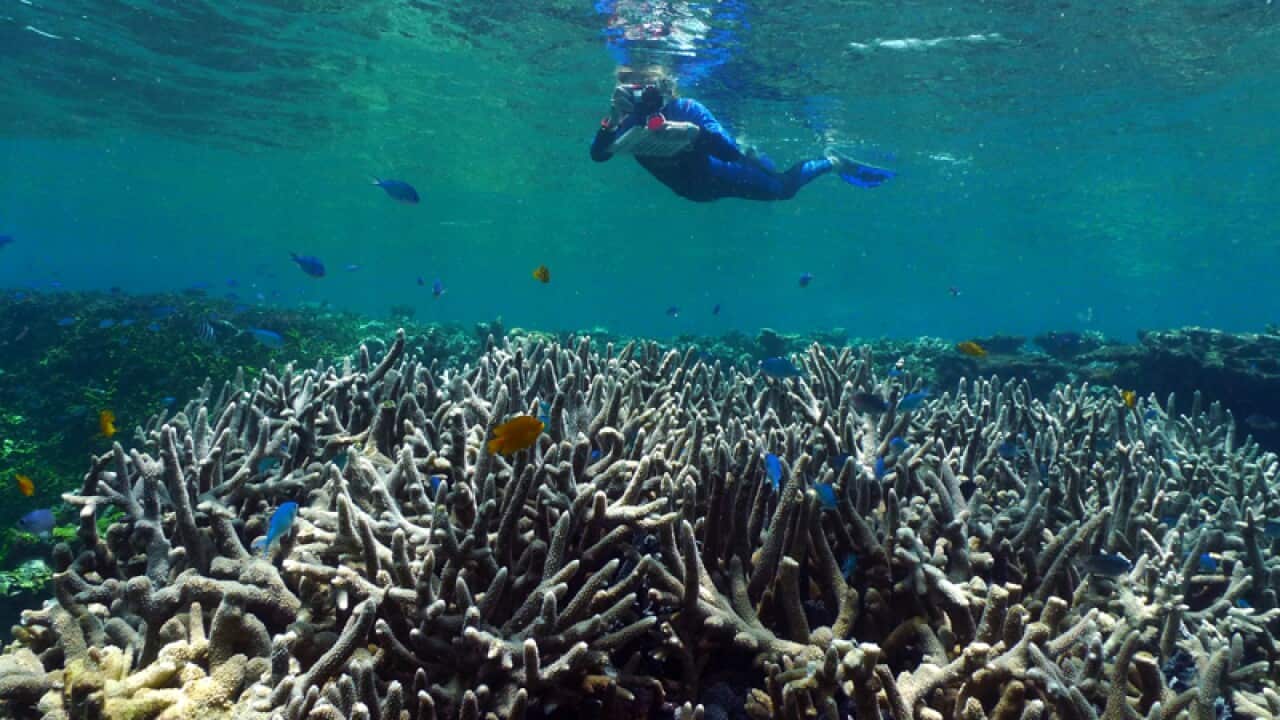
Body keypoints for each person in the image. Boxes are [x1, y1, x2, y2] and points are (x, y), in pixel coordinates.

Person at [590, 67, 893, 202]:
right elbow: (598, 156)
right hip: (692, 191)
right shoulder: (626, 119)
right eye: (634, 88)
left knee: (783, 190)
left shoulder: (689, 109)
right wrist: (612, 120)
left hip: (722, 175)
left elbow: (729, 153)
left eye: (648, 88)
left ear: (666, 86)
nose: (643, 97)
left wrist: (694, 135)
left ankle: (832, 162)